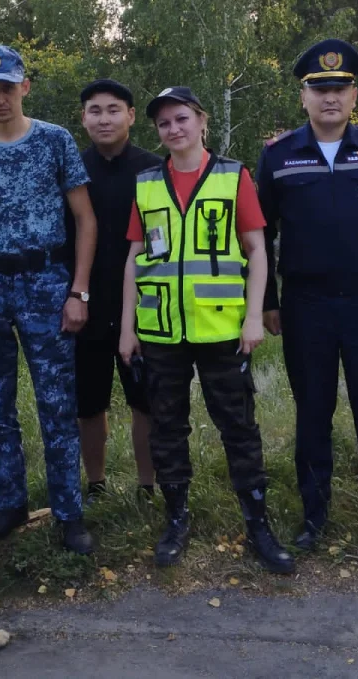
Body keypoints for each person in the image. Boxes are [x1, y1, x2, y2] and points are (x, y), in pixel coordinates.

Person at [256, 39, 358, 562]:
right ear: (304, 96)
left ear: (354, 95)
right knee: (313, 413)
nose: (330, 97)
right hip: (305, 304)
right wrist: (268, 300)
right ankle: (313, 518)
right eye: (319, 89)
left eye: (340, 88)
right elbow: (257, 233)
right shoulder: (279, 155)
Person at [118, 86, 295, 574]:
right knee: (167, 428)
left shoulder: (232, 176)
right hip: (161, 331)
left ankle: (258, 522)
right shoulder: (147, 182)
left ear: (201, 121)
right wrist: (126, 329)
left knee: (238, 427)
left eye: (181, 119)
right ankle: (176, 520)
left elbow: (257, 250)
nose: (173, 130)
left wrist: (254, 316)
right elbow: (134, 258)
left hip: (222, 328)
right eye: (164, 124)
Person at [0, 43, 98, 555]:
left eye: (8, 87)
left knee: (57, 403)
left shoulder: (55, 141)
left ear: (24, 87)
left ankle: (68, 512)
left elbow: (85, 219)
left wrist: (79, 290)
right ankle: (9, 505)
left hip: (45, 284)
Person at [69, 78, 161, 499]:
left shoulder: (154, 169)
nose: (103, 118)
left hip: (142, 306)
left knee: (144, 401)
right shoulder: (70, 169)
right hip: (84, 305)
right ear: (83, 118)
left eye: (112, 110)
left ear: (130, 116)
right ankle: (96, 484)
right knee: (89, 402)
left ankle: (147, 485)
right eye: (94, 110)